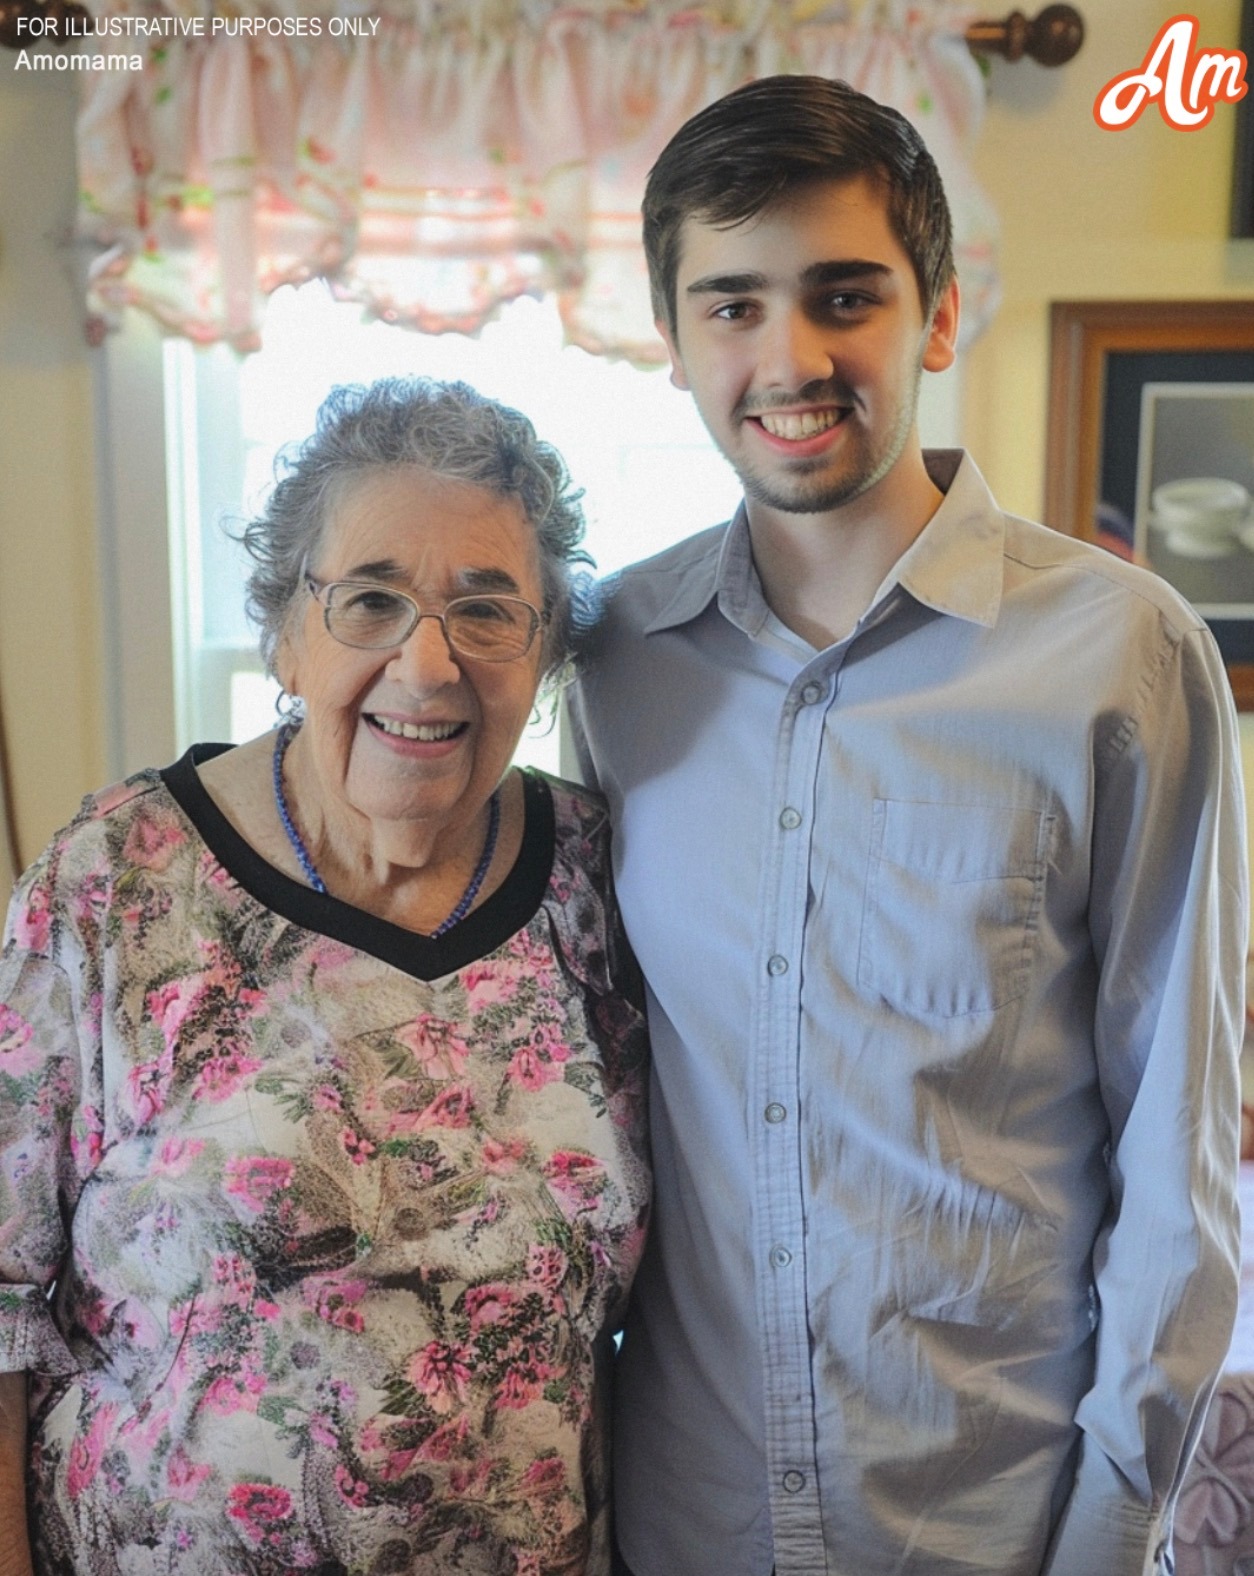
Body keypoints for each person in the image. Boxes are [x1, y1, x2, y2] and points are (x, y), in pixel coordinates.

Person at [568, 74, 1248, 1576]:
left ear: (936, 318)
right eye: (731, 304)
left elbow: (1181, 1158)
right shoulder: (609, 661)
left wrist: (1110, 1529)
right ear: (671, 338)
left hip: (986, 1520)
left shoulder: (1121, 653)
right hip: (686, 1516)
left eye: (843, 296)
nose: (787, 356)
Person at [0, 377, 650, 1575]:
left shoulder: (601, 880)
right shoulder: (115, 878)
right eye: (370, 600)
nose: (429, 662)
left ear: (545, 647)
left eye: (488, 609)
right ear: (287, 632)